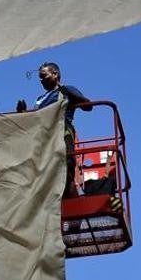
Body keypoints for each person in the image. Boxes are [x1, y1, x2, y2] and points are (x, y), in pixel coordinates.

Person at [28, 62, 93, 197]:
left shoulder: (67, 90)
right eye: (39, 77)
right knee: (45, 172)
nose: (41, 80)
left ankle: (72, 202)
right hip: (43, 137)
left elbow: (88, 106)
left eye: (43, 76)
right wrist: (22, 112)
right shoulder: (40, 99)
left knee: (66, 167)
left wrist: (71, 94)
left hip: (62, 131)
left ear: (55, 74)